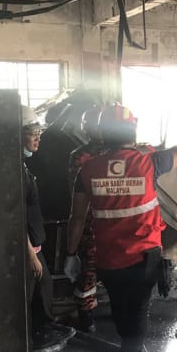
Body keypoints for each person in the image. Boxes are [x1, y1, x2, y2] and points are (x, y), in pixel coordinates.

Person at [64, 102, 177, 352]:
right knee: (138, 309)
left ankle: (130, 348)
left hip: (108, 257)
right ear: (132, 130)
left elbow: (76, 217)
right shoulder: (149, 162)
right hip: (143, 256)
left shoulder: (88, 169)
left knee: (122, 308)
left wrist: (71, 254)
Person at [21, 106, 75, 352]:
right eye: (33, 132)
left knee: (44, 293)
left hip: (34, 245)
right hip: (28, 248)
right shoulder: (13, 172)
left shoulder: (22, 166)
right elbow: (13, 215)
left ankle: (43, 334)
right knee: (35, 297)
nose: (38, 137)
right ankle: (36, 346)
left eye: (38, 131)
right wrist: (30, 253)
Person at [66, 105, 106, 332]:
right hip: (114, 224)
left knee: (87, 272)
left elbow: (74, 197)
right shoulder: (122, 155)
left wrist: (70, 250)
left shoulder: (78, 156)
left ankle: (86, 317)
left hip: (88, 225)